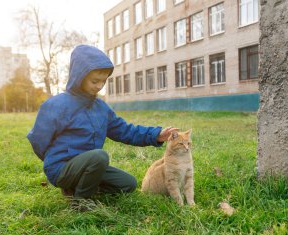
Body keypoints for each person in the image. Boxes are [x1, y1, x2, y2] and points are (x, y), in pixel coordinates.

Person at [27, 45, 178, 211]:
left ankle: (79, 188)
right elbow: (38, 140)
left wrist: (156, 135)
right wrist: (53, 160)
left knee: (128, 184)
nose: (99, 86)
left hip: (91, 166)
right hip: (61, 168)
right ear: (79, 76)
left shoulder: (101, 108)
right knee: (99, 156)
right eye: (94, 81)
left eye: (103, 81)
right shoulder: (56, 105)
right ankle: (81, 201)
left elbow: (125, 131)